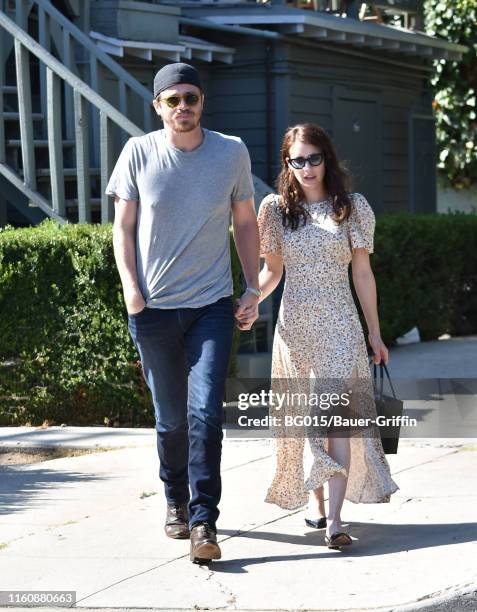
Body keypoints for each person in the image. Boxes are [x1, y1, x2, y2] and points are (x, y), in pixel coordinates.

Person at [106, 62, 260, 563]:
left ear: (202, 102)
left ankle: (203, 520)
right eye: (172, 101)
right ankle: (173, 496)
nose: (183, 108)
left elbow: (244, 223)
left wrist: (253, 286)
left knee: (204, 415)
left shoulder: (230, 152)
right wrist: (132, 288)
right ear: (158, 107)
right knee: (171, 421)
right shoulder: (138, 152)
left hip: (211, 306)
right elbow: (122, 228)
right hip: (152, 309)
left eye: (190, 98)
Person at [236, 123, 399, 549]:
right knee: (306, 420)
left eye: (314, 158)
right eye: (298, 160)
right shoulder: (273, 209)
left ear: (327, 158)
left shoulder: (351, 207)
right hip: (295, 330)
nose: (307, 168)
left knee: (334, 423)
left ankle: (336, 521)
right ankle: (317, 502)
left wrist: (375, 333)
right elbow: (272, 271)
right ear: (287, 164)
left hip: (341, 326)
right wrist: (253, 299)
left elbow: (363, 274)